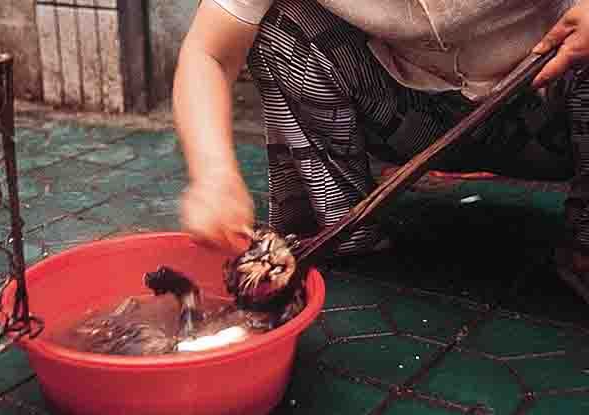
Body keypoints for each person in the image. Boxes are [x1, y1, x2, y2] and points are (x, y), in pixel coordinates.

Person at [173, 0, 589, 284]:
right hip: (405, 115)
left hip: (548, 105)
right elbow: (209, 51)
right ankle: (340, 231)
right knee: (284, 25)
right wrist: (212, 175)